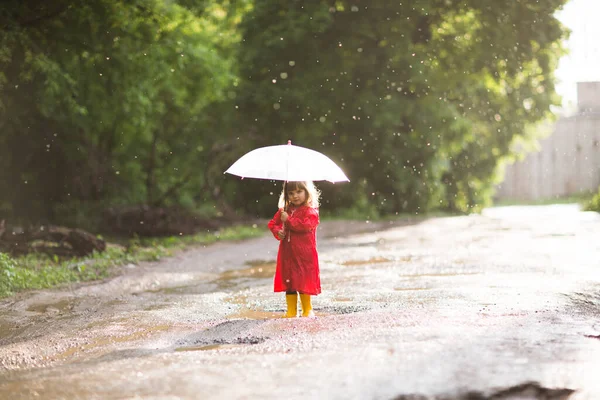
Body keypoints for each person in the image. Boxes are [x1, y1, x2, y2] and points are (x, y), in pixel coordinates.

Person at [267, 181, 321, 318]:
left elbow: (305, 226)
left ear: (307, 192)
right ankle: (291, 310)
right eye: (290, 193)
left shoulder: (311, 211)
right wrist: (278, 231)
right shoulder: (284, 210)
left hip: (305, 254)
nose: (295, 196)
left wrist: (289, 220)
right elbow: (273, 224)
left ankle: (307, 309)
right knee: (289, 280)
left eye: (299, 192)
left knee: (303, 280)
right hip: (287, 253)